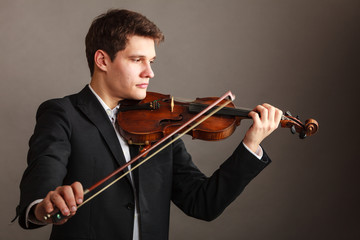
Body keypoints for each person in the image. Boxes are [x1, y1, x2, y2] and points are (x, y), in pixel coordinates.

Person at [16, 9, 282, 240]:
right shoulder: (63, 114)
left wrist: (251, 144)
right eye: (137, 60)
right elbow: (41, 183)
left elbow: (203, 203)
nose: (150, 72)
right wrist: (44, 206)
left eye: (151, 61)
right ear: (102, 60)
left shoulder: (160, 124)